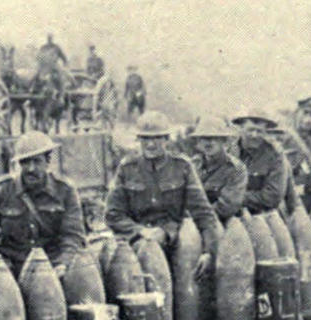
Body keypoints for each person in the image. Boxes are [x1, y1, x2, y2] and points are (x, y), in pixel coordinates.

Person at [106, 110, 216, 279]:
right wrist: (141, 231)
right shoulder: (127, 168)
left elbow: (203, 212)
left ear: (166, 139)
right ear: (139, 140)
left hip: (174, 240)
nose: (150, 144)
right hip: (136, 240)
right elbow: (113, 215)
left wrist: (208, 251)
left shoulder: (182, 166)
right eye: (145, 139)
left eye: (157, 138)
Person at [0, 131, 85, 278]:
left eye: (37, 161)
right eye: (25, 162)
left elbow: (72, 236)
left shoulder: (65, 191)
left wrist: (63, 264)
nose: (31, 169)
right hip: (11, 270)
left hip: (53, 269)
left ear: (48, 161)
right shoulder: (2, 190)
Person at [189, 116, 247, 223]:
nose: (208, 143)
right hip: (193, 220)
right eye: (204, 138)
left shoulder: (236, 169)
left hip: (223, 222)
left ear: (223, 141)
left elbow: (228, 206)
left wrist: (197, 216)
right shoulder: (193, 164)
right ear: (199, 142)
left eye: (214, 138)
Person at [230, 107, 287, 214]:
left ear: (265, 132)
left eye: (259, 131)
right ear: (241, 129)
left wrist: (235, 197)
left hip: (260, 215)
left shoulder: (274, 155)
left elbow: (273, 197)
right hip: (225, 211)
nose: (254, 135)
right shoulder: (227, 151)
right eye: (250, 130)